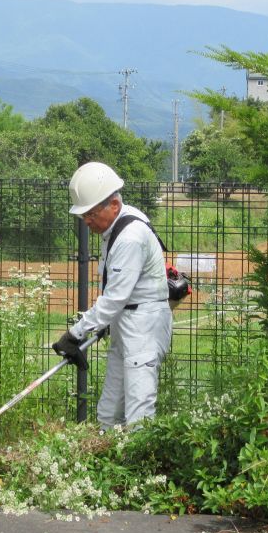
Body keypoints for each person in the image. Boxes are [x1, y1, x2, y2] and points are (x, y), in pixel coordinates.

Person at [53, 161, 172, 430]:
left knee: (138, 415)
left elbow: (115, 297)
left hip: (143, 327)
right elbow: (116, 296)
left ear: (113, 206)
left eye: (91, 213)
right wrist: (104, 323)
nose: (87, 221)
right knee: (108, 411)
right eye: (84, 215)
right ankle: (106, 464)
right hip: (125, 322)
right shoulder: (116, 227)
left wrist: (75, 334)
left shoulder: (130, 236)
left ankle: (139, 469)